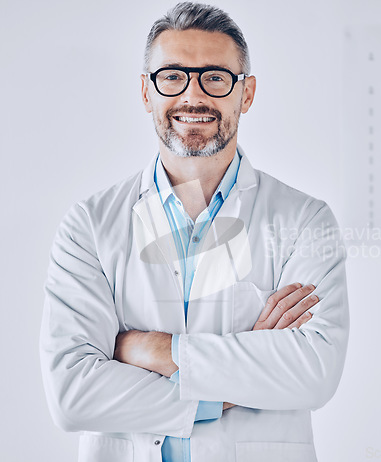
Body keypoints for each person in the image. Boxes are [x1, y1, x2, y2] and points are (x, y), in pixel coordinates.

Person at [39, 3, 350, 462]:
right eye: (172, 77)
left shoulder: (305, 220)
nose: (193, 96)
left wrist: (151, 349)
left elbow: (313, 372)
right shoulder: (89, 224)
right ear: (146, 92)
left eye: (216, 78)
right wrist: (228, 387)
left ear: (246, 94)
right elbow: (72, 395)